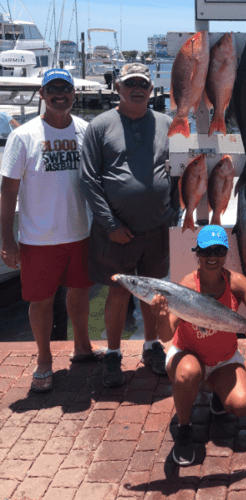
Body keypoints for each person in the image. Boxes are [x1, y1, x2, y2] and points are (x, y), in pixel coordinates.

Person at [0, 68, 101, 393]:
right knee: (41, 301)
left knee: (80, 292)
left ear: (74, 95)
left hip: (80, 233)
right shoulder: (23, 136)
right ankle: (44, 361)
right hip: (37, 238)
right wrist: (7, 240)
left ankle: (82, 347)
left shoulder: (86, 130)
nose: (60, 94)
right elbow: (8, 192)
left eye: (66, 89)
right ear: (42, 95)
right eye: (52, 88)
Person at [79, 63, 174, 387]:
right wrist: (109, 223)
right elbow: (89, 180)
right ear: (118, 87)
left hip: (157, 227)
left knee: (153, 294)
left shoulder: (166, 123)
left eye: (143, 85)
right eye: (131, 83)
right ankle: (114, 353)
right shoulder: (100, 125)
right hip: (115, 232)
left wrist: (173, 212)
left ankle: (151, 347)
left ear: (151, 90)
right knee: (118, 292)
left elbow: (179, 172)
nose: (137, 89)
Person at [151, 225, 246, 466]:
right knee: (188, 374)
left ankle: (217, 391)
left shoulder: (236, 282)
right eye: (206, 252)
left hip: (223, 359)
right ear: (198, 254)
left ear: (226, 253)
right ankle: (185, 430)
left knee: (242, 404)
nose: (212, 257)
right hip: (188, 354)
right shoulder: (186, 285)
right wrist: (161, 316)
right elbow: (165, 336)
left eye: (218, 251)